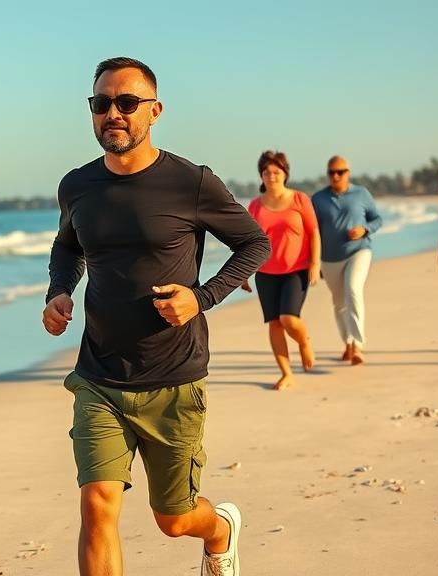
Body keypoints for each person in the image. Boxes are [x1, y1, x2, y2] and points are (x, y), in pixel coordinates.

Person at [42, 57, 271, 576]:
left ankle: (222, 529)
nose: (113, 113)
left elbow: (255, 243)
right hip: (100, 375)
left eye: (127, 103)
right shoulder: (77, 186)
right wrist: (59, 292)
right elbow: (67, 248)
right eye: (102, 103)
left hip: (173, 378)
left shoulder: (191, 182)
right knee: (97, 505)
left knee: (174, 517)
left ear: (155, 111)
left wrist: (202, 296)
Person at [240, 151, 320, 390]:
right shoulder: (255, 206)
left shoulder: (300, 199)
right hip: (265, 273)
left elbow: (314, 232)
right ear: (261, 176)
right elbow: (247, 240)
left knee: (288, 319)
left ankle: (304, 341)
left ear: (285, 174)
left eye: (276, 171)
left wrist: (315, 264)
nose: (271, 176)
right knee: (275, 323)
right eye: (266, 172)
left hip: (297, 269)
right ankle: (286, 373)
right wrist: (243, 273)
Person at [311, 156, 383, 365]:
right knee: (339, 302)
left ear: (348, 173)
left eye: (340, 172)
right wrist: (314, 261)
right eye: (331, 172)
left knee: (353, 290)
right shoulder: (318, 199)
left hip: (358, 251)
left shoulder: (361, 194)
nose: (335, 176)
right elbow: (312, 232)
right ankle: (348, 343)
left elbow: (377, 219)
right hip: (329, 258)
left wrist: (365, 230)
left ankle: (358, 345)